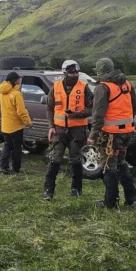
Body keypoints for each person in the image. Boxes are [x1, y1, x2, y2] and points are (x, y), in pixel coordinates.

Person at [88, 58, 136, 208]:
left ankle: (110, 202)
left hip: (111, 135)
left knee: (109, 166)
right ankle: (132, 199)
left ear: (100, 71)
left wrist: (92, 136)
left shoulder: (102, 87)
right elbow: (135, 108)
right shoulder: (127, 84)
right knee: (122, 163)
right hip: (127, 132)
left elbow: (98, 115)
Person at [43, 60, 94, 200]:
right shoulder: (56, 86)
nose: (75, 74)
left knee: (75, 159)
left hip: (77, 130)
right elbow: (49, 107)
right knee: (55, 158)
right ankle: (48, 191)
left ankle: (76, 190)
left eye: (77, 72)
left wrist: (78, 114)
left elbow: (92, 107)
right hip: (59, 129)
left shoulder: (84, 87)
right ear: (65, 73)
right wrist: (51, 127)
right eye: (72, 72)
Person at [0, 71, 33, 174]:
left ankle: (3, 167)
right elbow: (21, 111)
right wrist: (28, 122)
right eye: (18, 79)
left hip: (5, 126)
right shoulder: (17, 94)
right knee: (17, 148)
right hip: (16, 126)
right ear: (14, 81)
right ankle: (16, 168)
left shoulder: (2, 93)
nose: (19, 81)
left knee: (7, 146)